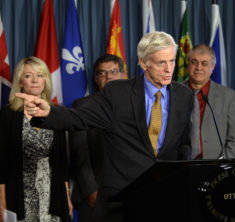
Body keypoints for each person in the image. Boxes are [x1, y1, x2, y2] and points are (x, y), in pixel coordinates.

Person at [17, 31, 193, 222]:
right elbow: (80, 117)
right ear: (144, 63)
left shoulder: (184, 95)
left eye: (172, 61)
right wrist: (48, 113)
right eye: (161, 63)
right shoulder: (118, 92)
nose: (169, 69)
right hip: (121, 200)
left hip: (164, 199)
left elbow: (183, 143)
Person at [0, 56, 72, 222]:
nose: (34, 80)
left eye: (40, 75)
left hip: (51, 192)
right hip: (18, 192)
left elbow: (61, 159)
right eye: (28, 76)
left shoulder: (56, 113)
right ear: (20, 82)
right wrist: (1, 196)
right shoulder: (8, 115)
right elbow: (1, 158)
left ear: (45, 81)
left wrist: (66, 194)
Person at [70, 54, 124, 222]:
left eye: (113, 71)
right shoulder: (82, 107)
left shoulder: (136, 105)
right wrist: (91, 190)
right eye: (102, 73)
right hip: (93, 195)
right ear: (95, 78)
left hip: (127, 192)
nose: (108, 77)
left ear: (123, 74)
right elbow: (79, 153)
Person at [185, 44, 235, 160]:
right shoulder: (173, 93)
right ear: (188, 65)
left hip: (216, 168)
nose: (198, 67)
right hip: (180, 167)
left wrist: (220, 166)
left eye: (204, 64)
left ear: (212, 67)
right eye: (194, 62)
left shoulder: (229, 97)